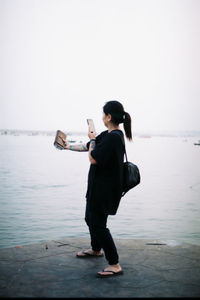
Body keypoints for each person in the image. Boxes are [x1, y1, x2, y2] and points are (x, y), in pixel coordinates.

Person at [63, 100, 132, 277]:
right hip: (96, 188)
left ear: (109, 116)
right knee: (90, 219)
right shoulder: (107, 135)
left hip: (105, 191)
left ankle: (115, 264)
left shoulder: (114, 138)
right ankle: (96, 249)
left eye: (103, 114)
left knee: (99, 225)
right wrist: (67, 146)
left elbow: (93, 158)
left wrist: (93, 139)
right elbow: (88, 147)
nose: (101, 117)